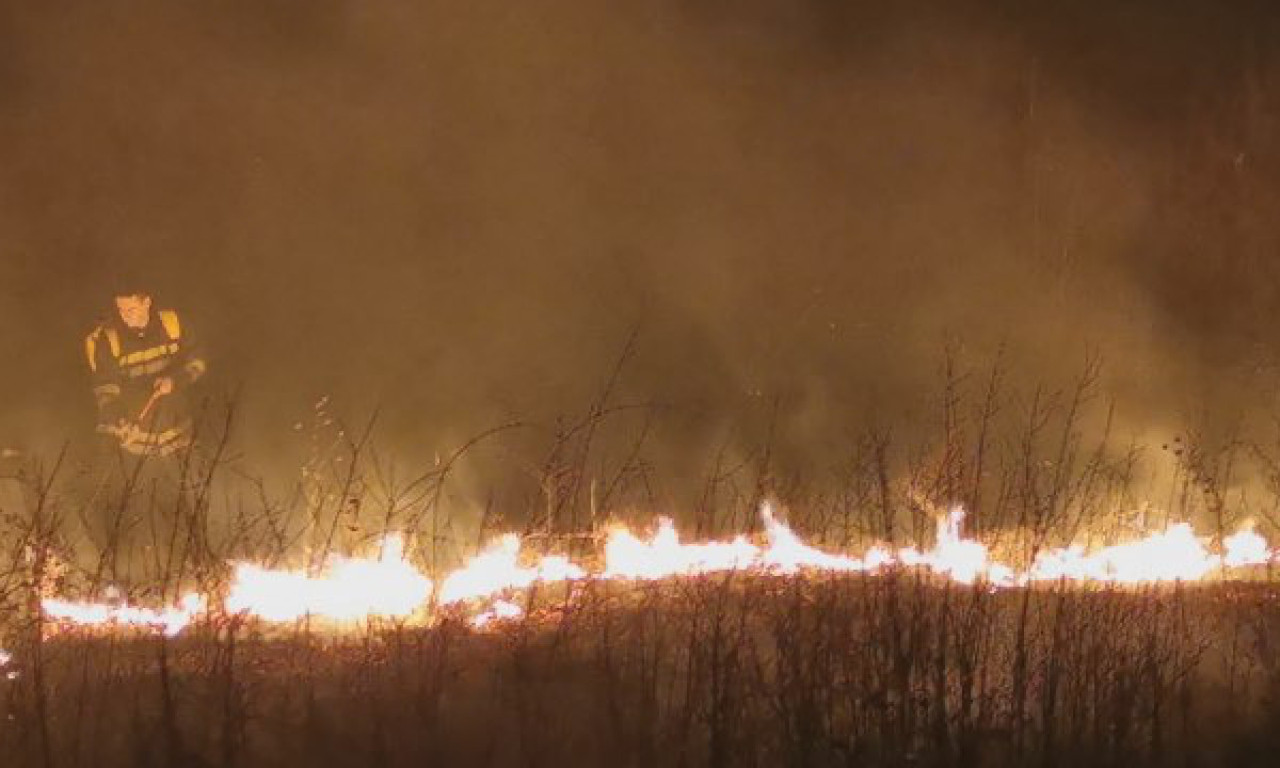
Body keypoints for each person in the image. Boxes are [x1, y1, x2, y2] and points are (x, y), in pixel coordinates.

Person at [84, 282, 207, 458]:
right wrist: (119, 419)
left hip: (178, 438)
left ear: (147, 303)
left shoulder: (173, 325)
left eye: (131, 309)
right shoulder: (109, 339)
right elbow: (105, 386)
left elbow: (198, 361)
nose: (124, 316)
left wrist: (175, 381)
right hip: (134, 447)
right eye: (120, 309)